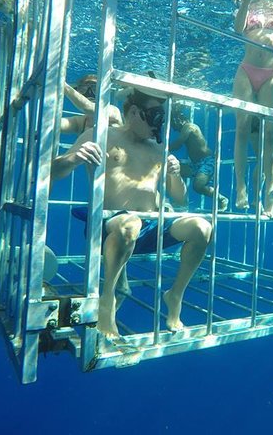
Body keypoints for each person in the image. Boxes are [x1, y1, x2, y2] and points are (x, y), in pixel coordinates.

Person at [51, 89, 213, 339]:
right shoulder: (100, 135)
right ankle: (107, 301)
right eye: (156, 116)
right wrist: (74, 158)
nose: (160, 124)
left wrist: (175, 174)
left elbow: (181, 199)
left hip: (151, 225)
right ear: (135, 113)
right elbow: (54, 172)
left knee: (202, 227)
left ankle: (175, 295)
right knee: (130, 224)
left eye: (164, 117)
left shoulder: (158, 146)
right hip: (110, 224)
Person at [231, 0, 273, 217]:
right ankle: (240, 187)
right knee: (242, 128)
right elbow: (238, 29)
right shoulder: (250, 1)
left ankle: (270, 197)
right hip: (247, 69)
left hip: (272, 72)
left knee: (270, 135)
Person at [169, 103, 229, 212]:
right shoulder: (186, 127)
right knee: (171, 171)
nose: (175, 129)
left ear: (178, 120)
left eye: (174, 126)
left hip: (208, 162)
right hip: (196, 165)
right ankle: (180, 201)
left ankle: (222, 199)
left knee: (198, 186)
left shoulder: (190, 127)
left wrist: (162, 149)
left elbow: (178, 143)